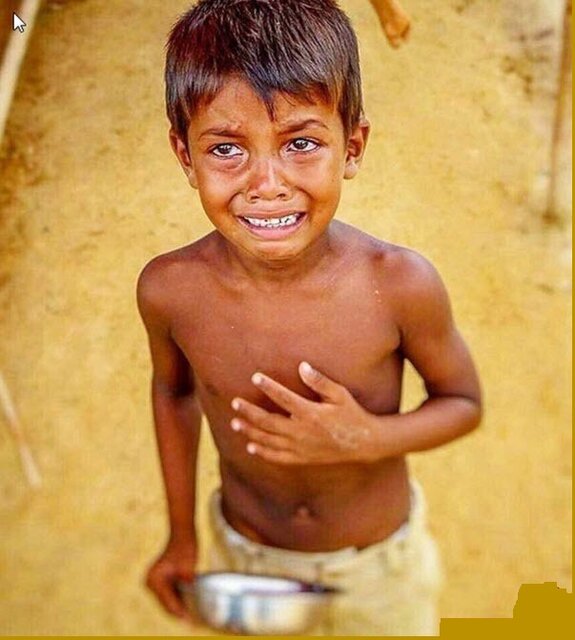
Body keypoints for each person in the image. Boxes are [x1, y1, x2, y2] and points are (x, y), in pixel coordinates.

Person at [137, 0, 482, 635]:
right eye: (226, 149)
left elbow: (462, 403)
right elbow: (174, 394)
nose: (267, 183)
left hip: (376, 568)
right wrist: (181, 535)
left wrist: (366, 438)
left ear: (352, 146)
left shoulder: (399, 284)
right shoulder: (170, 291)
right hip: (249, 557)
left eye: (300, 143)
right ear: (185, 156)